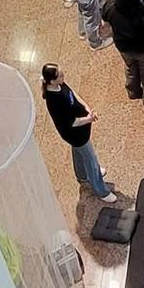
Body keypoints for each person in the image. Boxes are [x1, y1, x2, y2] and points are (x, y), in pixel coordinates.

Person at [41, 63, 116, 202]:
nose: (64, 76)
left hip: (81, 128)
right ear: (52, 81)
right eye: (60, 75)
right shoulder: (55, 101)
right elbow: (72, 122)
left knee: (78, 152)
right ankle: (102, 191)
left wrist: (86, 107)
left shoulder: (59, 84)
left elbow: (72, 93)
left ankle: (82, 175)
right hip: (75, 134)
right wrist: (89, 119)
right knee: (91, 160)